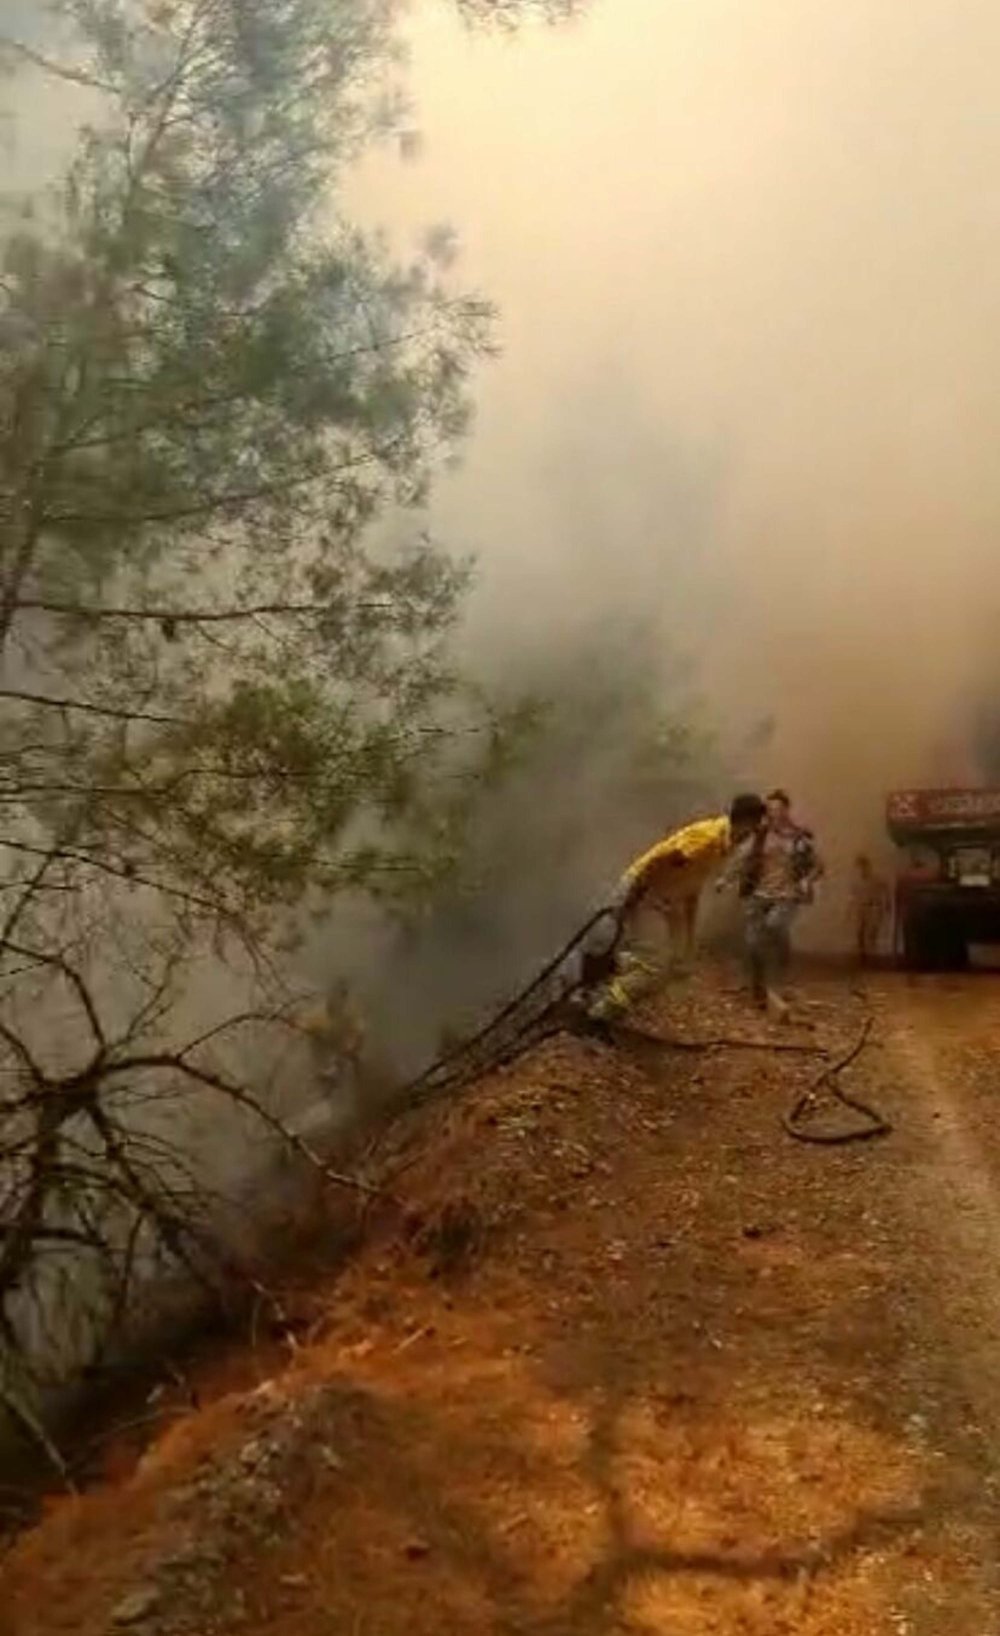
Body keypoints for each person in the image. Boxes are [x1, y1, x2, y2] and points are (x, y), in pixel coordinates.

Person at [577, 793, 767, 1032]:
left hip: (668, 899)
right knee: (655, 967)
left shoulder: (723, 845)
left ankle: (611, 973)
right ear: (746, 822)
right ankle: (598, 1014)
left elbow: (691, 887)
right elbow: (655, 863)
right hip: (646, 893)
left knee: (678, 963)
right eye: (753, 827)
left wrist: (687, 933)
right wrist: (629, 903)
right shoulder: (707, 839)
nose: (752, 835)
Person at [719, 788, 823, 1019]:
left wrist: (806, 880)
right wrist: (726, 879)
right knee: (753, 943)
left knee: (775, 926)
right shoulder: (760, 836)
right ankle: (758, 990)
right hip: (758, 895)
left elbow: (817, 865)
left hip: (787, 895)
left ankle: (780, 978)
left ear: (786, 810)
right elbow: (741, 860)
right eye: (770, 809)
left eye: (778, 808)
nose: (773, 813)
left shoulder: (798, 838)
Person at [850, 853, 890, 967]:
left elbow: (885, 889)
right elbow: (853, 896)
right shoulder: (856, 881)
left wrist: (887, 903)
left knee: (872, 932)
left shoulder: (876, 879)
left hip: (872, 907)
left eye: (864, 866)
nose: (861, 869)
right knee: (860, 931)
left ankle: (871, 954)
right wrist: (851, 909)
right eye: (859, 867)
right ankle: (862, 955)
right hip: (861, 907)